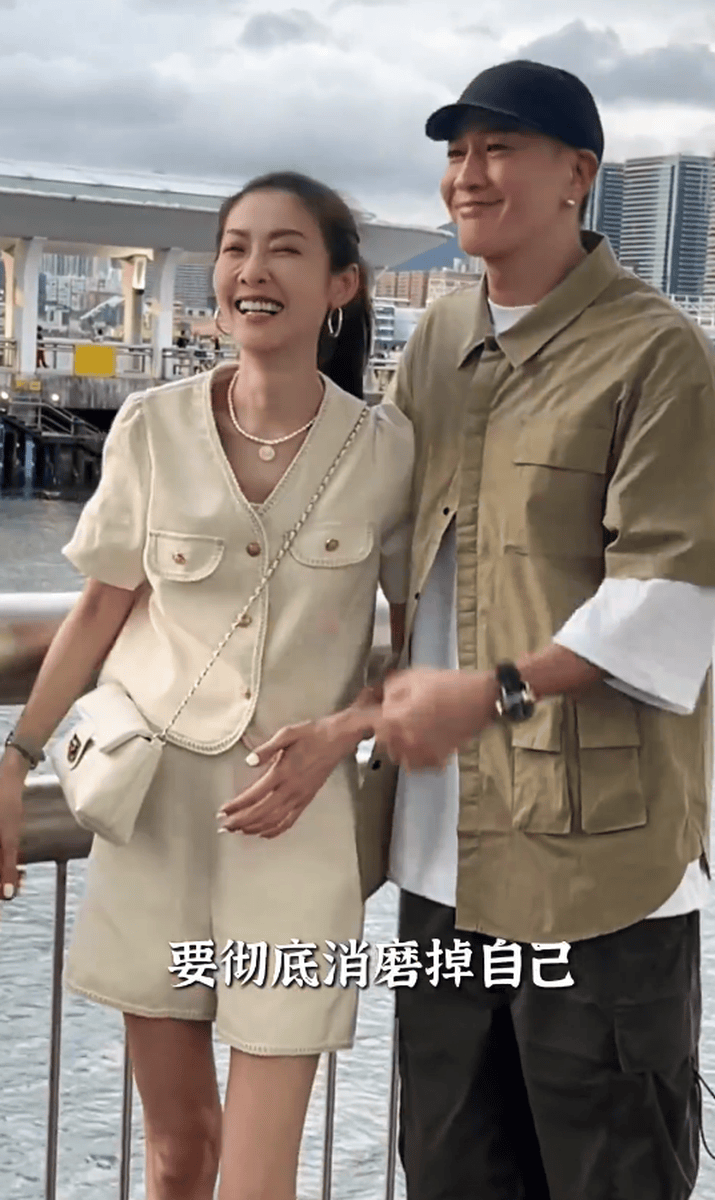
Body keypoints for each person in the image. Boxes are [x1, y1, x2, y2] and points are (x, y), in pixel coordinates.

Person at [357, 60, 715, 1200]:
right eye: (456, 153)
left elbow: (667, 595)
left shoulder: (657, 352)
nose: (468, 175)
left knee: (609, 1176)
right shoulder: (436, 342)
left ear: (577, 174)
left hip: (598, 874)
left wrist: (488, 692)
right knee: (449, 1172)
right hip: (443, 863)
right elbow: (366, 528)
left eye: (499, 149)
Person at [0, 171, 413, 1200]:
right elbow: (98, 611)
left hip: (298, 827)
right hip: (157, 818)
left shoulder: (389, 451)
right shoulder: (151, 426)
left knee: (258, 1178)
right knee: (179, 1152)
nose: (251, 270)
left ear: (341, 286)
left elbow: (417, 650)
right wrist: (14, 760)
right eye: (235, 247)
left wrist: (344, 733)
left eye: (285, 249)